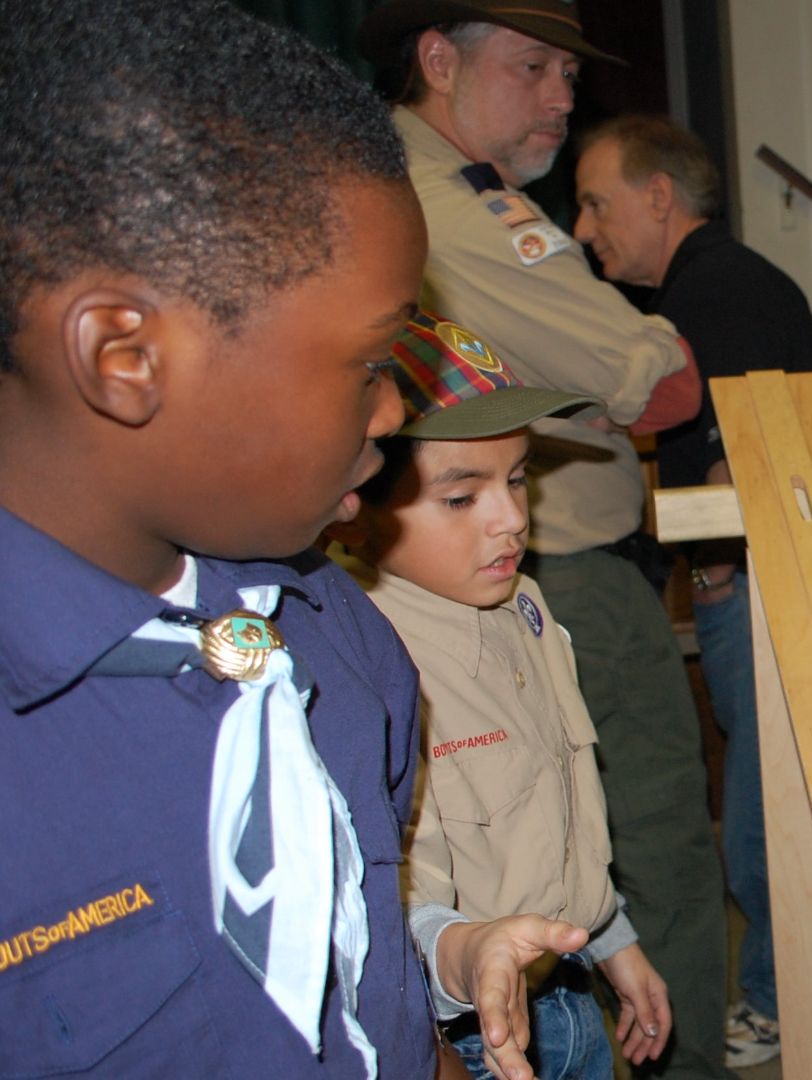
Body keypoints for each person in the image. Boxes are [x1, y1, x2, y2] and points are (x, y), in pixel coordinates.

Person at [0, 1, 586, 1074]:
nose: (390, 417)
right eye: (369, 367)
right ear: (125, 356)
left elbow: (369, 1002)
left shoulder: (338, 640)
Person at [357, 3, 730, 1074]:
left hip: (541, 585)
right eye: (534, 68)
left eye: (570, 72)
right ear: (438, 60)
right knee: (662, 831)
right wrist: (630, 357)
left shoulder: (466, 197)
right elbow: (655, 378)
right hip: (567, 575)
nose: (564, 97)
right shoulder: (444, 207)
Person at [332, 312, 675, 1079]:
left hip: (565, 989)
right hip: (468, 1032)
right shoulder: (365, 657)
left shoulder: (525, 606)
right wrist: (467, 953)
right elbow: (394, 896)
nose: (513, 519)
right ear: (356, 505)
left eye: (517, 479)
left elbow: (558, 802)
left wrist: (612, 938)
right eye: (462, 498)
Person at [573, 114, 812, 1068]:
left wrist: (719, 565)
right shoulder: (722, 285)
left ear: (658, 196)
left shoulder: (717, 293)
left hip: (760, 589)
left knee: (766, 819)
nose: (587, 227)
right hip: (747, 584)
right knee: (764, 808)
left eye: (598, 202)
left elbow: (756, 449)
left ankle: (775, 997)